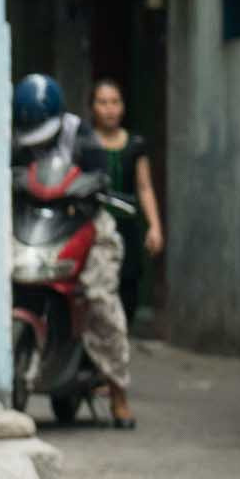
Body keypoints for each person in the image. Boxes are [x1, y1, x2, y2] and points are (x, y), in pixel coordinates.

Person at [12, 71, 134, 426]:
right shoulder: (16, 138)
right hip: (37, 225)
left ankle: (118, 391)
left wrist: (91, 185)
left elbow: (100, 175)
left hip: (84, 224)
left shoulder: (81, 135)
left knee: (100, 297)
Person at [88, 77, 164, 331]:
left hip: (127, 230)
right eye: (102, 102)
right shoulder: (85, 143)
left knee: (128, 288)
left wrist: (155, 226)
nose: (109, 109)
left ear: (122, 107)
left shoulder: (135, 145)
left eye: (115, 102)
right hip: (93, 230)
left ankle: (120, 341)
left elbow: (145, 187)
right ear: (93, 107)